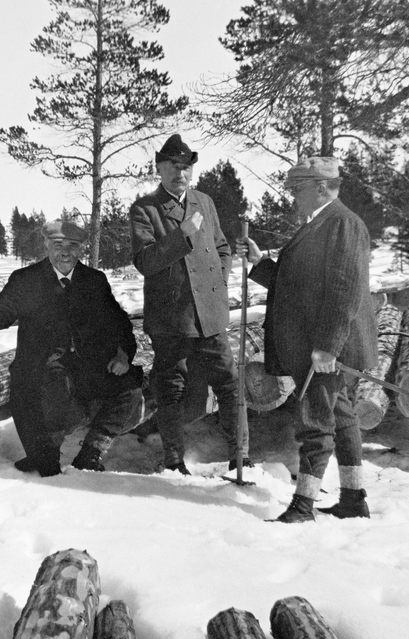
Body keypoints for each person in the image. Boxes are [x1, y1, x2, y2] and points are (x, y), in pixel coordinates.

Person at [241, 155, 378, 522]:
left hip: (329, 347)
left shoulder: (343, 225)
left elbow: (344, 290)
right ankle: (353, 498)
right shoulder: (321, 223)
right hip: (325, 343)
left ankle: (303, 505)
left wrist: (327, 347)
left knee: (314, 421)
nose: (291, 197)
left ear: (320, 188)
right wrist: (259, 264)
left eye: (297, 189)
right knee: (343, 416)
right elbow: (297, 286)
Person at [0, 220, 144, 477]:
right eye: (59, 245)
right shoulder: (26, 280)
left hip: (84, 373)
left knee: (130, 388)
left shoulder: (94, 280)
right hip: (38, 375)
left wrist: (123, 353)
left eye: (73, 245)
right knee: (46, 470)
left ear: (80, 249)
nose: (66, 251)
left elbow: (120, 323)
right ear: (46, 246)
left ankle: (91, 453)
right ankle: (44, 455)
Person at [129, 133, 250, 475]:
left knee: (229, 382)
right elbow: (145, 262)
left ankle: (240, 456)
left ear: (192, 171)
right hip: (170, 318)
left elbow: (222, 248)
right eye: (172, 166)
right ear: (159, 168)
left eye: (185, 167)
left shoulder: (204, 202)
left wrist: (217, 283)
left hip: (209, 316)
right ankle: (173, 460)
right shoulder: (144, 209)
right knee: (171, 389)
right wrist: (181, 234)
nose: (179, 173)